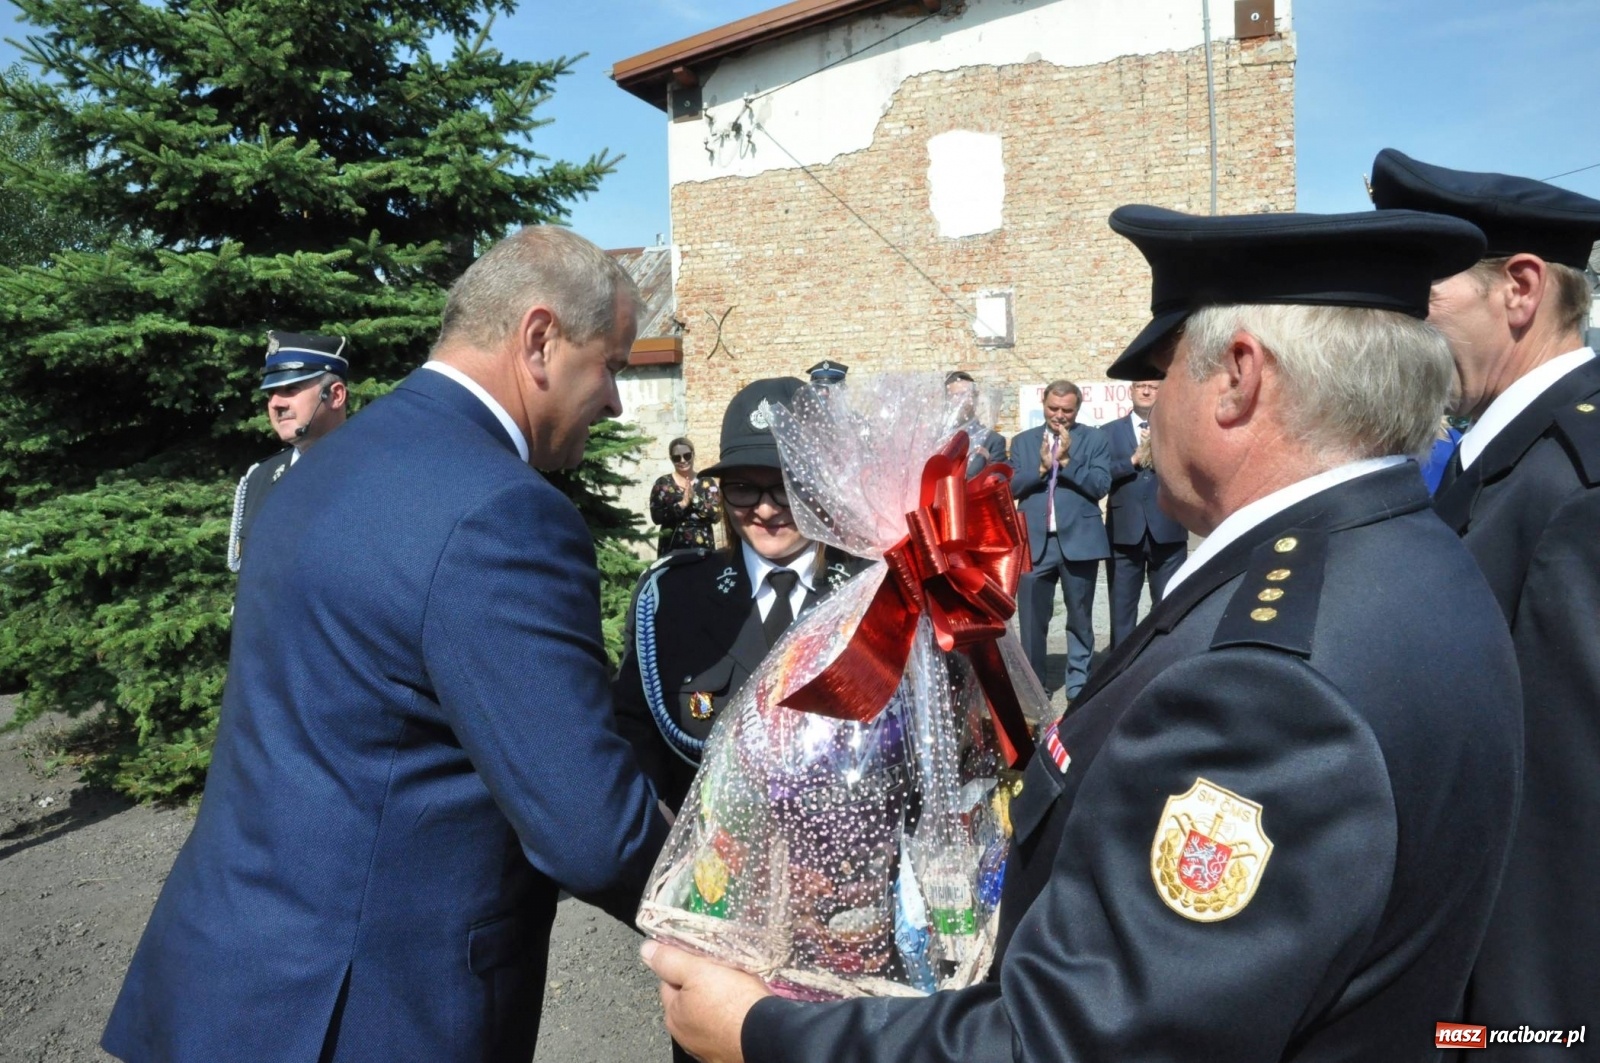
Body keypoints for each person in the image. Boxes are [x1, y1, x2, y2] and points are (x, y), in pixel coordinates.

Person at [641, 205, 1523, 1063]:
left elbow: (1072, 1039)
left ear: (1238, 377)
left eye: (1163, 365)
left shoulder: (1272, 682)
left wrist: (761, 1030)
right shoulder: (1423, 558)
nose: (1150, 406)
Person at [103, 226, 671, 1063]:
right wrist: (748, 904)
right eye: (613, 365)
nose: (617, 401)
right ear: (540, 340)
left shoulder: (316, 468)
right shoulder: (502, 511)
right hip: (359, 1012)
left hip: (217, 981)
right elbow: (591, 828)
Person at [1371, 148, 1600, 1053]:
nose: (1406, 323)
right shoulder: (1497, 454)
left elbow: (1568, 818)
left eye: (1424, 295)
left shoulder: (1576, 486)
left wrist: (1526, 1034)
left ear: (1520, 290)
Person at [615, 378, 864, 814]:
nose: (765, 510)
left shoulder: (873, 592)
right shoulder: (672, 599)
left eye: (786, 486)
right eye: (744, 489)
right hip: (707, 870)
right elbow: (637, 743)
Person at [1008, 381, 1111, 701]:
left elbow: (1100, 485)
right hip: (1034, 542)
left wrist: (1066, 463)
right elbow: (1010, 488)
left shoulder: (1095, 439)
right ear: (1044, 403)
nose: (1059, 416)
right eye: (1054, 408)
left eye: (1067, 410)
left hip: (1079, 541)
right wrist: (1040, 467)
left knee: (1080, 615)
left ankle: (1079, 679)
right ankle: (1035, 682)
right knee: (1031, 618)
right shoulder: (1024, 442)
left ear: (1077, 409)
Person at [226, 331, 350, 572]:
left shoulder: (376, 471)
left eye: (291, 389)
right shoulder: (260, 477)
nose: (276, 403)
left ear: (335, 395)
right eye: (271, 392)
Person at [1103, 379, 1188, 645]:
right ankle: (1120, 671)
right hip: (1124, 532)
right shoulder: (1108, 432)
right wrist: (1132, 461)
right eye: (1140, 385)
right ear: (1131, 391)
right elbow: (1100, 476)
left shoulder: (1179, 428)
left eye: (1153, 386)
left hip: (1168, 528)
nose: (1147, 390)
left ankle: (1161, 662)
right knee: (1122, 610)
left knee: (1169, 605)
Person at [649, 436, 720, 555]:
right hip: (672, 549)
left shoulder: (707, 483)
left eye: (687, 455)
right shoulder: (662, 483)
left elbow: (716, 515)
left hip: (702, 549)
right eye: (677, 457)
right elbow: (656, 517)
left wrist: (695, 499)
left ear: (693, 454)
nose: (682, 460)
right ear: (671, 459)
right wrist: (681, 505)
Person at [945, 370, 1008, 477]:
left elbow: (998, 481)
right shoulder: (933, 438)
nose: (963, 401)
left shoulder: (991, 440)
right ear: (946, 400)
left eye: (967, 395)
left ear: (975, 398)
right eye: (957, 396)